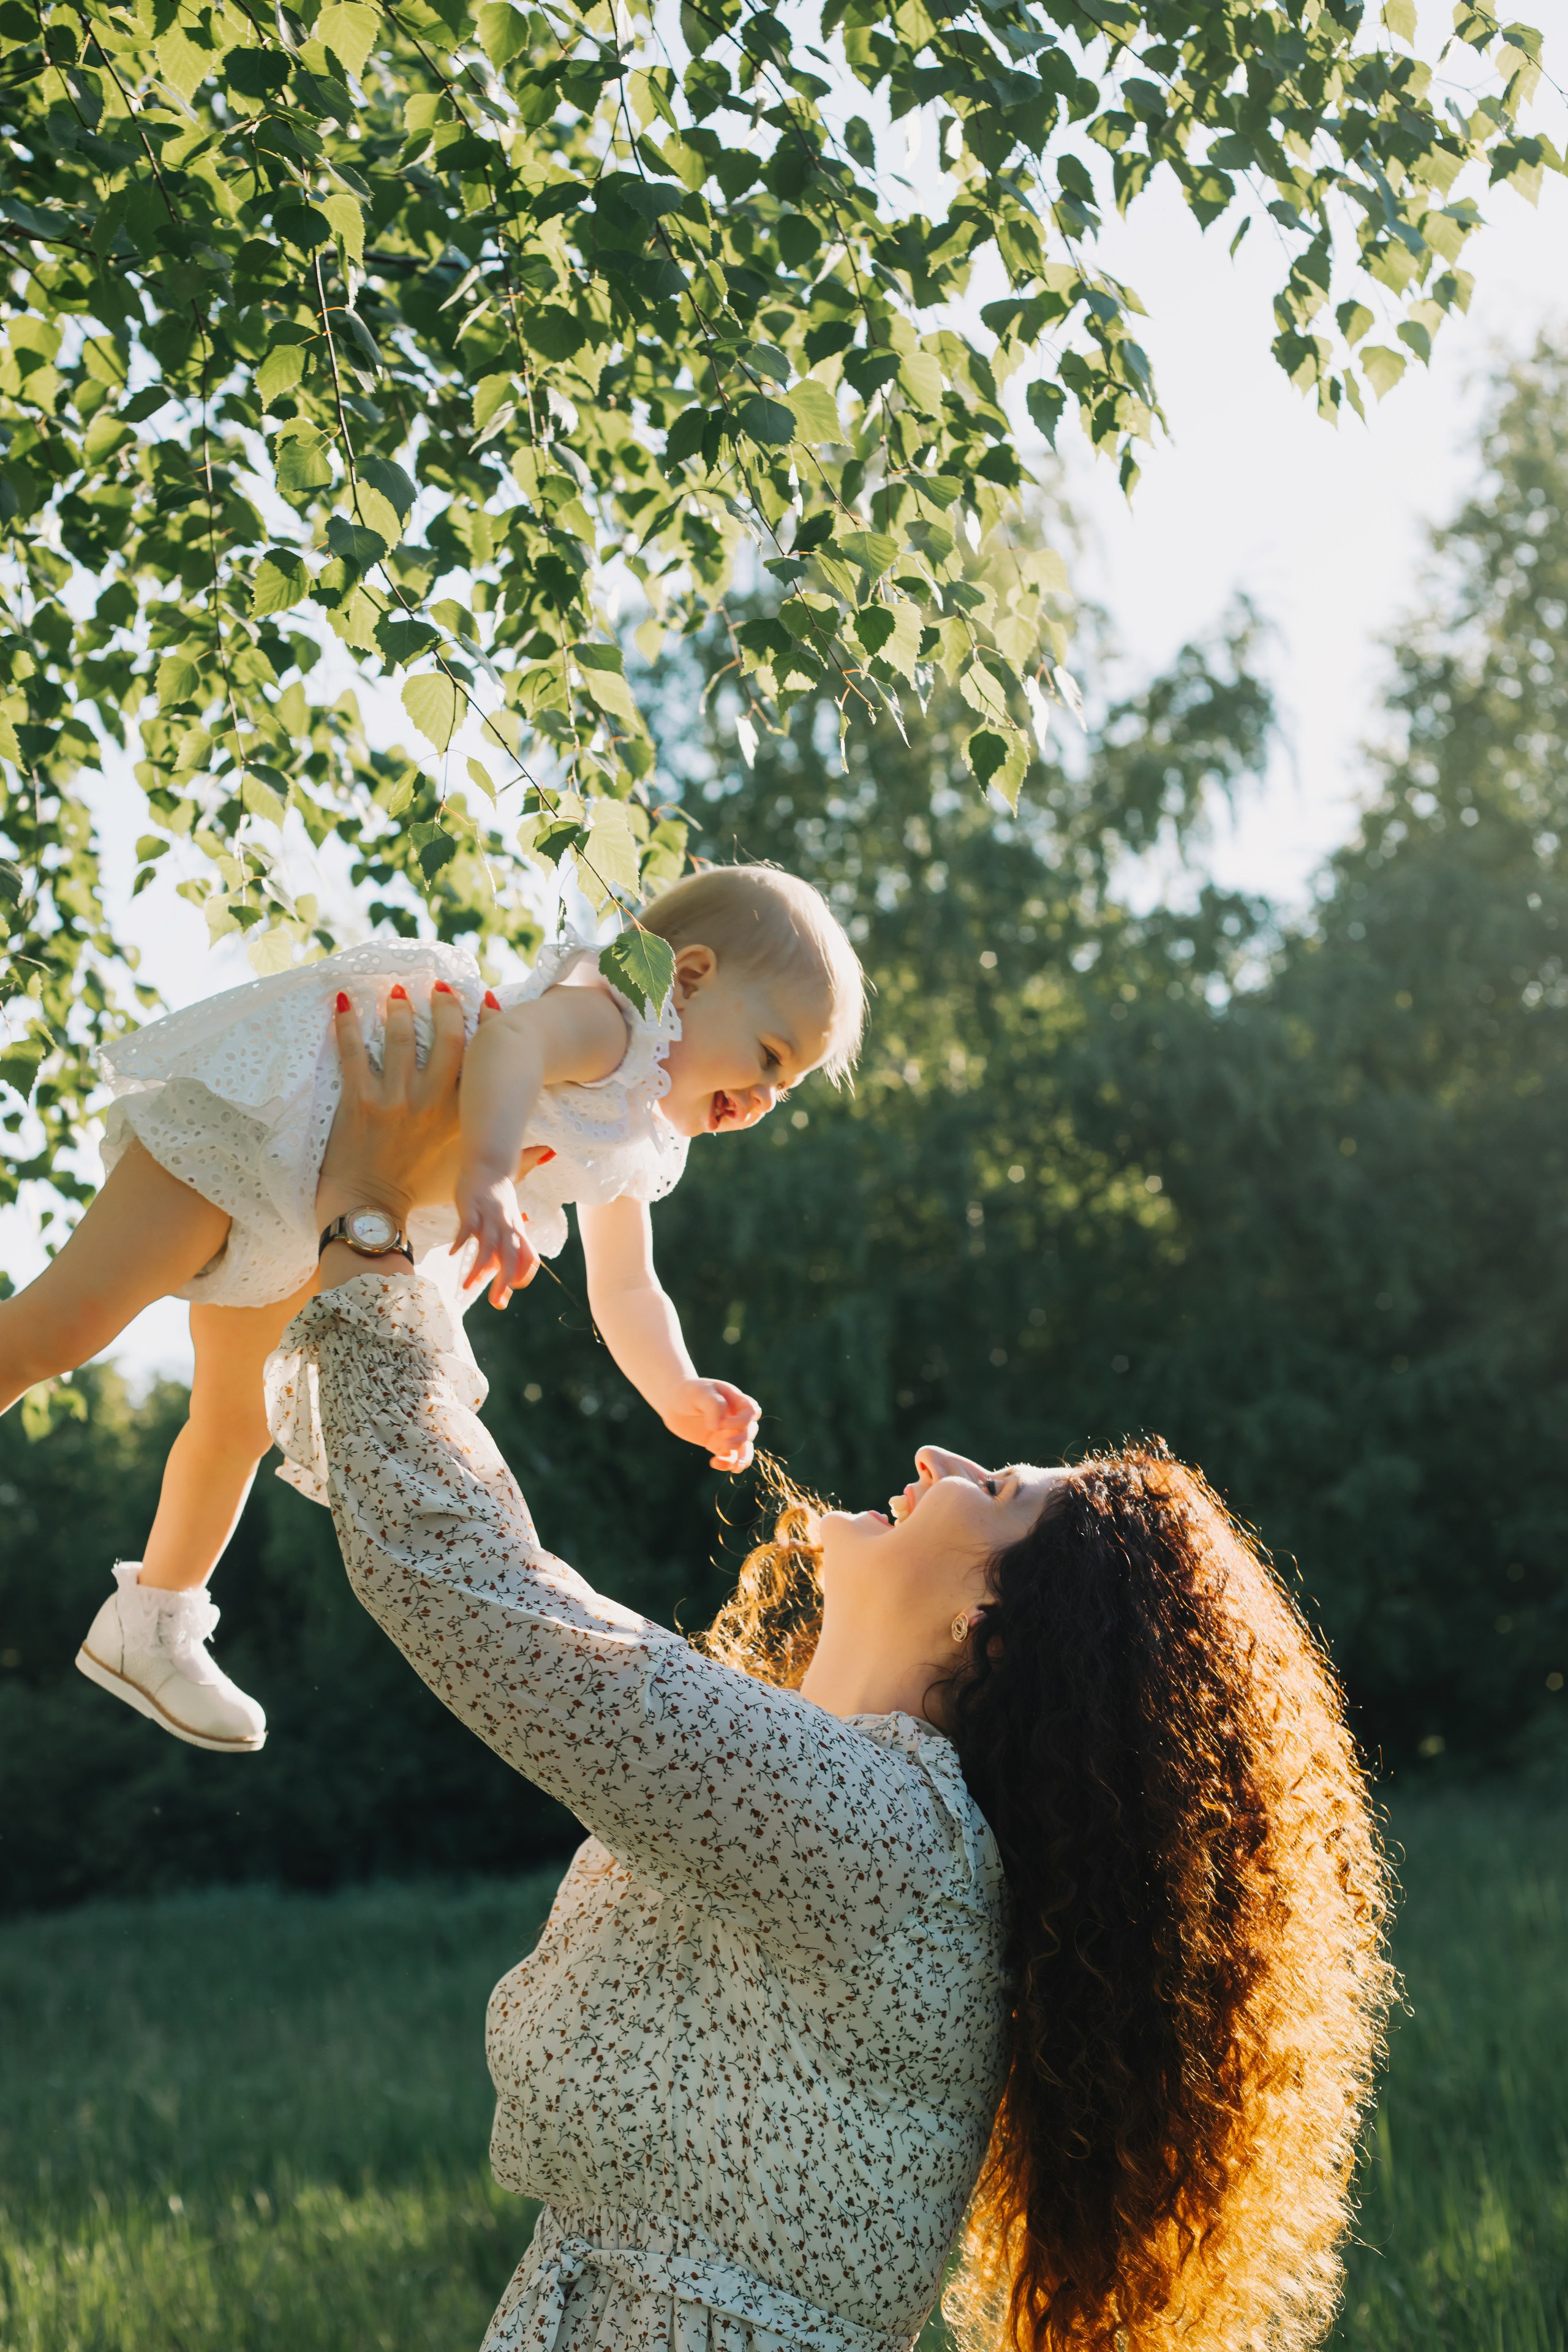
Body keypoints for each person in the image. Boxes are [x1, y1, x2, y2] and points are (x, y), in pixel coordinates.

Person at [265, 978, 1396, 2352]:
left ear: (999, 1626)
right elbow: (519, 1604)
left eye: (994, 1486)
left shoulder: (881, 1833)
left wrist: (377, 1239)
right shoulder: (871, 1813)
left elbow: (485, 1603)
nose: (937, 1460)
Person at [0, 865, 864, 1755]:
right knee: (64, 1327)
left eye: (787, 1084)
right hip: (277, 1127)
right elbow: (511, 1045)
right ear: (687, 978)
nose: (767, 1096)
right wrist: (487, 1171)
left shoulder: (636, 1133)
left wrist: (676, 1388)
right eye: (768, 1053)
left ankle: (153, 1622)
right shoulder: (614, 1021)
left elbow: (629, 1287)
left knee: (237, 1422)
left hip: (320, 1209)